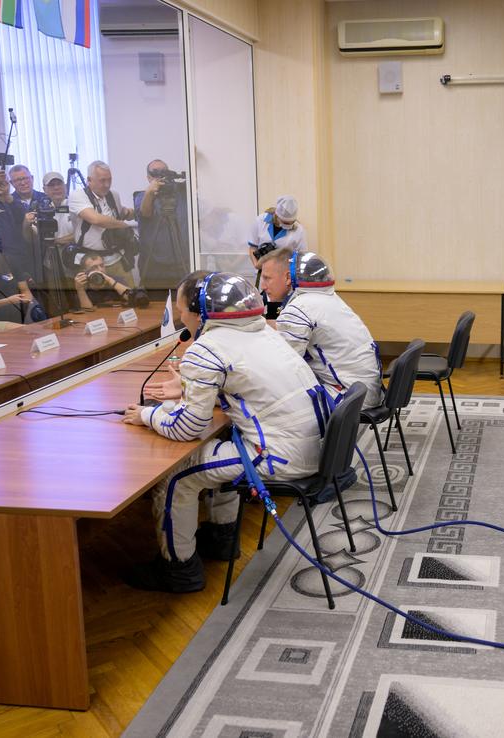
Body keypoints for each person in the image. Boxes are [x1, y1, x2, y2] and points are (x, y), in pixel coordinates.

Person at [121, 271, 324, 592]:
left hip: (280, 456)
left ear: (200, 312)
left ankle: (179, 570)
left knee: (176, 478)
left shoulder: (208, 348)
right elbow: (248, 384)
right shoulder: (265, 332)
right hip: (313, 445)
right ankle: (221, 539)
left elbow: (188, 428)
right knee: (227, 437)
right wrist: (188, 387)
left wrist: (147, 414)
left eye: (181, 308)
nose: (178, 315)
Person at [259, 248, 383, 407]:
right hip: (364, 389)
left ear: (288, 277)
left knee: (266, 402)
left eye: (267, 278)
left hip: (348, 398)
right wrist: (272, 304)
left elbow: (285, 366)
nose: (262, 286)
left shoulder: (299, 309)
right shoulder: (324, 297)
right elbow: (279, 330)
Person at [69, 161, 138, 286]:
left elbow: (121, 213)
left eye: (109, 180)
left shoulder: (113, 195)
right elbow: (97, 220)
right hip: (91, 263)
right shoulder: (78, 195)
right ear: (89, 180)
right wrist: (124, 226)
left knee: (130, 296)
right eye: (102, 180)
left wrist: (140, 210)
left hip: (116, 259)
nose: (107, 185)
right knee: (96, 302)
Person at [136, 159, 191, 289]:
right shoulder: (142, 196)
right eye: (156, 173)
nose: (161, 176)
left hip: (182, 263)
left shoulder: (183, 192)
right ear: (148, 178)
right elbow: (145, 212)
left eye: (164, 172)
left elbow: (198, 180)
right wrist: (150, 193)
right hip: (154, 266)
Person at [249, 195, 307, 319]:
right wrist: (257, 265)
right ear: (277, 215)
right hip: (263, 273)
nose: (287, 225)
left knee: (276, 313)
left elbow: (300, 258)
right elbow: (252, 247)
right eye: (285, 222)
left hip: (282, 278)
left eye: (290, 223)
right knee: (260, 309)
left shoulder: (299, 231)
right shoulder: (261, 221)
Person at [0, 169, 34, 282]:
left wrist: (7, 195)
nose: (0, 186)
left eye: (3, 183)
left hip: (20, 257)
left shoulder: (14, 202)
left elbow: (21, 216)